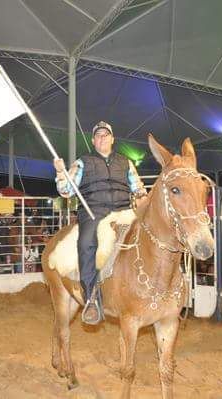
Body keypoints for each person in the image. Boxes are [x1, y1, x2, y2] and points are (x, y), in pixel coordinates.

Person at [53, 121, 147, 325]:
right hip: (93, 212)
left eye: (106, 135)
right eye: (98, 135)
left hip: (124, 211)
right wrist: (61, 172)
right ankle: (92, 299)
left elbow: (138, 188)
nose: (102, 138)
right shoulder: (83, 162)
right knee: (86, 244)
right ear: (93, 141)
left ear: (113, 139)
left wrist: (143, 201)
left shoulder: (126, 162)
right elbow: (66, 191)